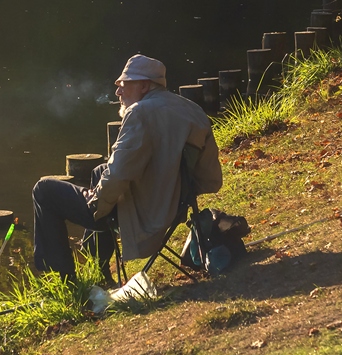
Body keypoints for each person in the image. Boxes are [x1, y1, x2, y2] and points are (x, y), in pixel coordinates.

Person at [32, 54, 222, 284]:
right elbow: (211, 177)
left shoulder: (139, 113)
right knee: (100, 171)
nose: (118, 92)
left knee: (44, 191)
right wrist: (175, 193)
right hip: (175, 206)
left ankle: (63, 282)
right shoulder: (192, 110)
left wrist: (96, 204)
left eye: (123, 85)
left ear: (144, 86)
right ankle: (99, 271)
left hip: (144, 213)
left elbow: (120, 173)